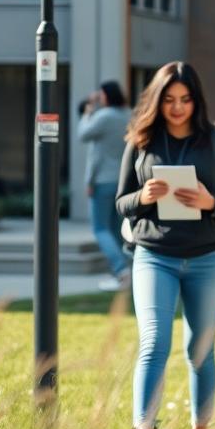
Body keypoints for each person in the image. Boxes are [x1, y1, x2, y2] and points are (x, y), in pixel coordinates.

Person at [113, 62, 215, 429]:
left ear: (196, 101)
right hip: (154, 255)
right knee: (153, 341)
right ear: (157, 100)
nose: (177, 108)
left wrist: (210, 203)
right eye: (169, 100)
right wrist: (143, 196)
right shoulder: (141, 140)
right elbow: (120, 202)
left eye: (185, 100)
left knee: (198, 352)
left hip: (207, 257)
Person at [78, 80, 132, 291]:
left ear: (106, 97)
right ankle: (123, 273)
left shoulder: (103, 116)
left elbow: (83, 135)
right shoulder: (128, 114)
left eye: (100, 96)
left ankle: (121, 270)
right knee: (116, 229)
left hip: (102, 180)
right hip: (121, 180)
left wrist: (87, 111)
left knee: (100, 228)